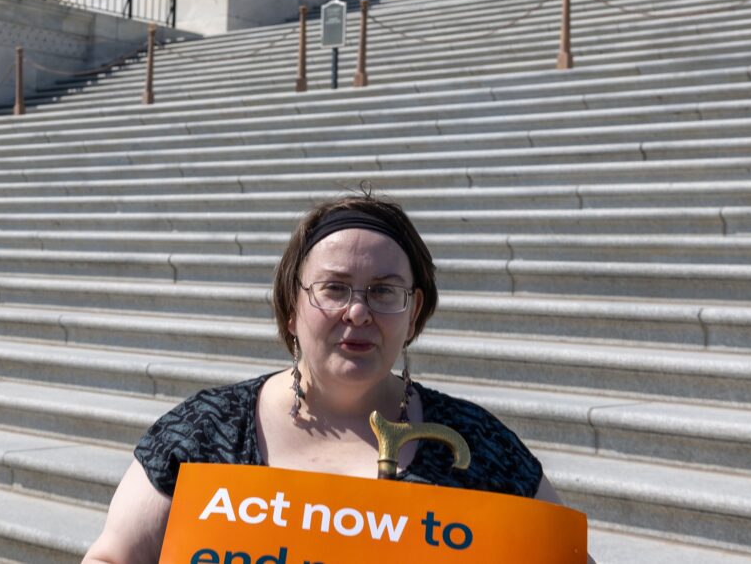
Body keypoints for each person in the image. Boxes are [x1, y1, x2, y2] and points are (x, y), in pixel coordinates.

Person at [83, 194, 594, 563]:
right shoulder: (200, 432)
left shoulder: (480, 446)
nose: (358, 311)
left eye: (383, 291)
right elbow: (113, 558)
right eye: (334, 288)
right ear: (291, 308)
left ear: (413, 312)